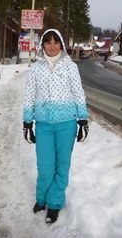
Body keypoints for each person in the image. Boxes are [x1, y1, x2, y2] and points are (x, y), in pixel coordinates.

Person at [22, 28, 89, 224]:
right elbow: (29, 96)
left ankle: (54, 203)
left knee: (62, 165)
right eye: (48, 42)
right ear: (43, 45)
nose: (52, 46)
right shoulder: (36, 68)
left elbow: (78, 93)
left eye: (56, 42)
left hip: (66, 125)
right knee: (45, 167)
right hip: (43, 125)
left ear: (61, 44)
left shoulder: (70, 67)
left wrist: (82, 120)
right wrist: (27, 123)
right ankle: (41, 198)